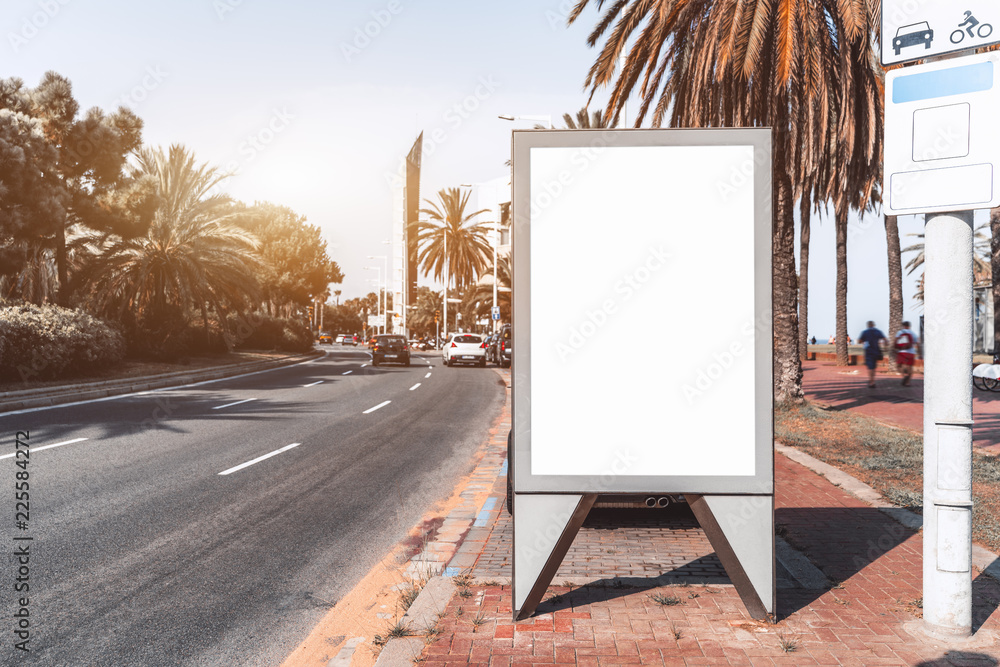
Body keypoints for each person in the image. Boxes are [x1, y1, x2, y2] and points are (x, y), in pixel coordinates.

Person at [858, 321, 887, 388]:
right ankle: (872, 380)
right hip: (876, 351)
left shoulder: (865, 332)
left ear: (868, 325)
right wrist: (885, 348)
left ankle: (871, 381)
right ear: (873, 325)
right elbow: (885, 339)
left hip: (869, 351)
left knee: (870, 367)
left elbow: (859, 341)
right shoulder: (878, 331)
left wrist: (864, 342)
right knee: (873, 367)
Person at [894, 321, 920, 386]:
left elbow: (896, 341)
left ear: (903, 326)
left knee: (898, 365)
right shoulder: (913, 333)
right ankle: (908, 382)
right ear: (909, 326)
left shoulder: (900, 332)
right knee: (910, 367)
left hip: (901, 352)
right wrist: (920, 353)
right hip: (911, 352)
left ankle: (904, 376)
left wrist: (895, 348)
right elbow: (918, 344)